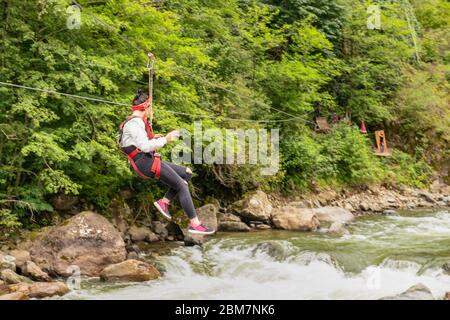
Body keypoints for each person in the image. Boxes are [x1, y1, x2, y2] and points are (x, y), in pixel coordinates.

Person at [118, 89, 215, 235]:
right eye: (151, 108)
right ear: (146, 108)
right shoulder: (135, 123)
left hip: (146, 160)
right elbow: (144, 147)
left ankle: (164, 202)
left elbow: (140, 142)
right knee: (182, 186)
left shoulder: (135, 122)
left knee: (186, 174)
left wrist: (155, 138)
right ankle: (195, 224)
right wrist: (166, 139)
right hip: (145, 162)